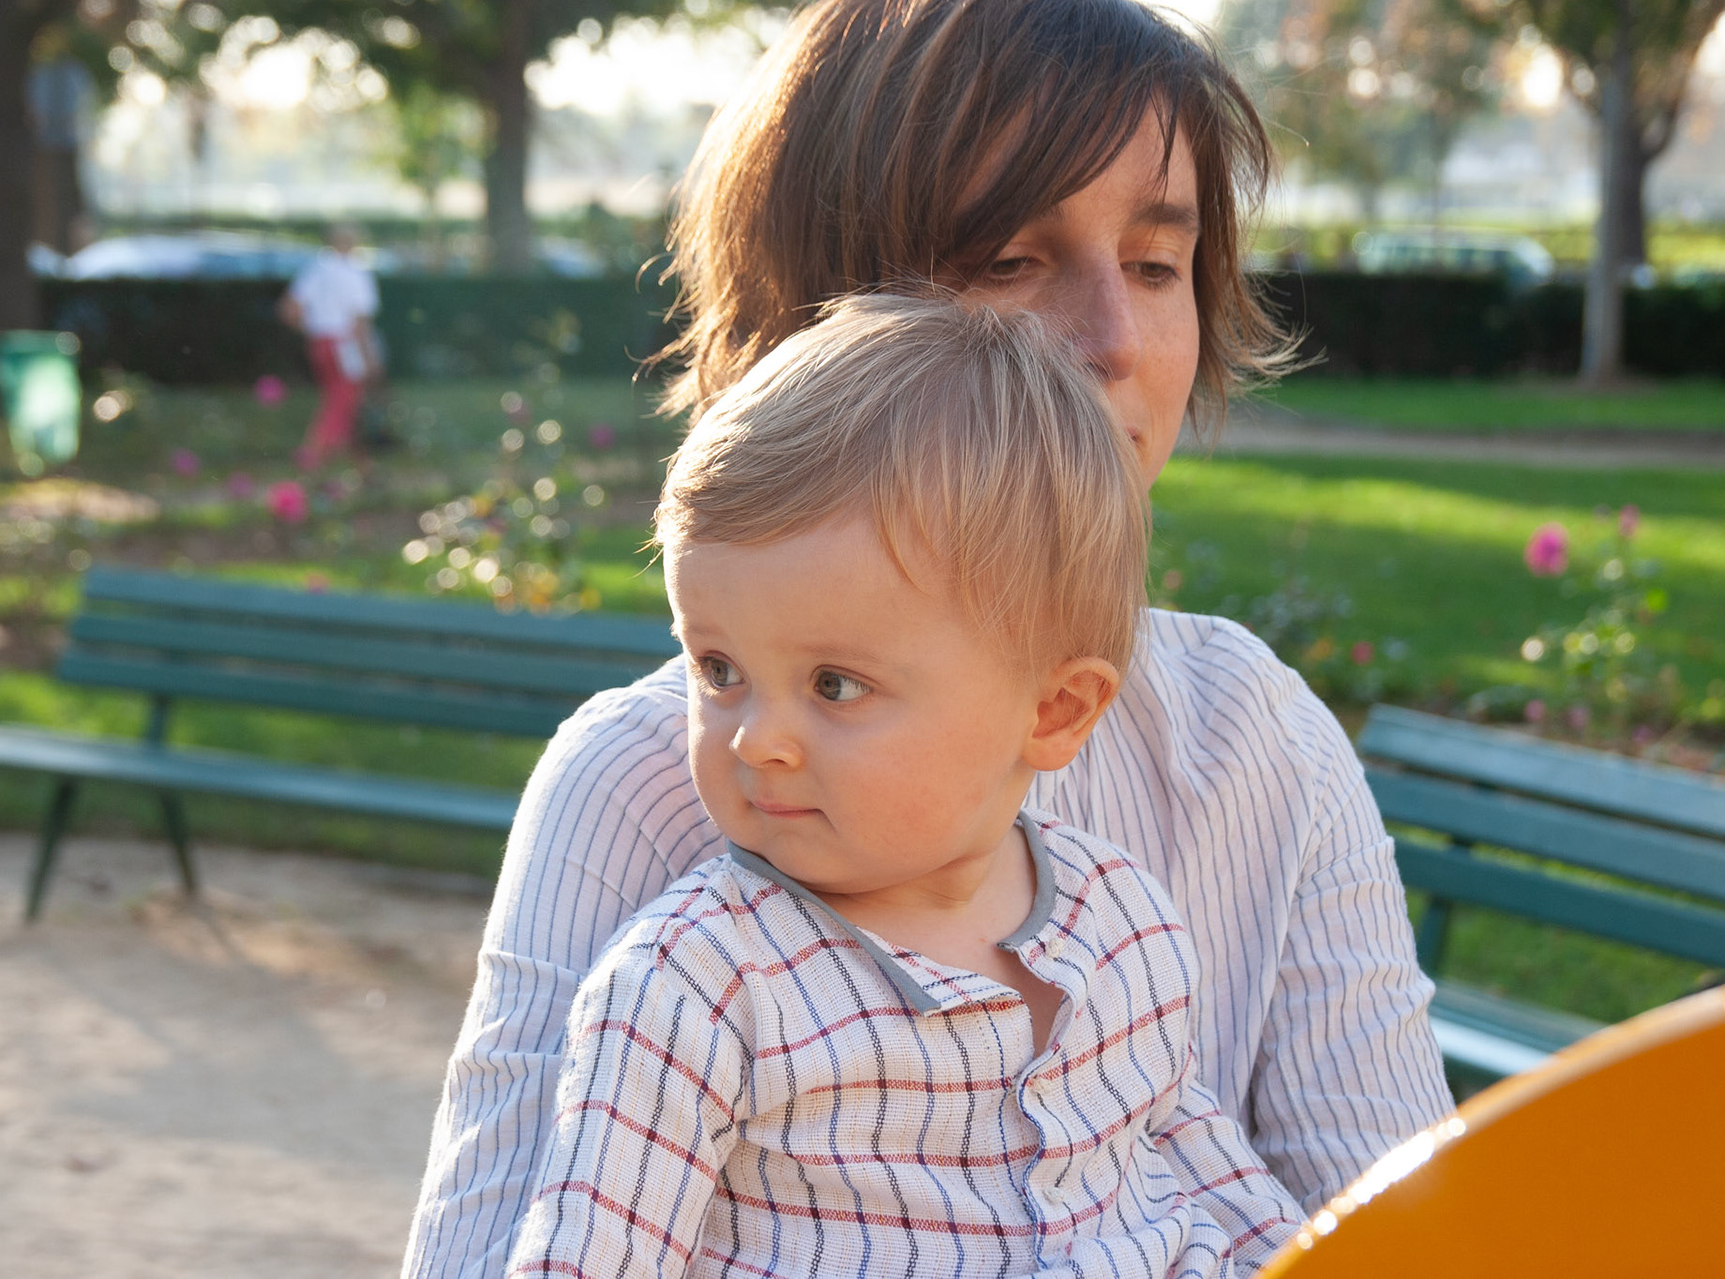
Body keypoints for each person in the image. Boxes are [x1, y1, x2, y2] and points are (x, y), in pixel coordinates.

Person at [404, 1, 1452, 1275]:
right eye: (1008, 259)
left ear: (1062, 708)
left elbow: (1408, 1239)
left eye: (1154, 264)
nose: (1114, 342)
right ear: (819, 317)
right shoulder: (646, 793)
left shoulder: (1249, 738)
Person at [514, 292, 1304, 1278]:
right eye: (718, 669)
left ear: (1054, 711)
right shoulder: (699, 987)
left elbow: (1195, 1154)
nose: (757, 740)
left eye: (834, 685)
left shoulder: (1122, 921)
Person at [279, 224, 379, 470]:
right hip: (345, 344)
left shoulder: (315, 270)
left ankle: (357, 462)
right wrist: (368, 356)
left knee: (338, 399)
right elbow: (360, 321)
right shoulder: (357, 273)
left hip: (319, 343)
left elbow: (289, 310)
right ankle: (312, 457)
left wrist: (313, 328)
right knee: (342, 401)